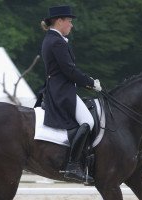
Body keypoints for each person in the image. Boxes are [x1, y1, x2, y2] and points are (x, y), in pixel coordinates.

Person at [40, 5, 101, 183]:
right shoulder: (56, 41)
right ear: (59, 21)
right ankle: (73, 166)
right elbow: (69, 70)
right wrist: (90, 82)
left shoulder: (51, 39)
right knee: (88, 121)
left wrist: (85, 82)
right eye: (69, 21)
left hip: (58, 88)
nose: (71, 25)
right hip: (61, 92)